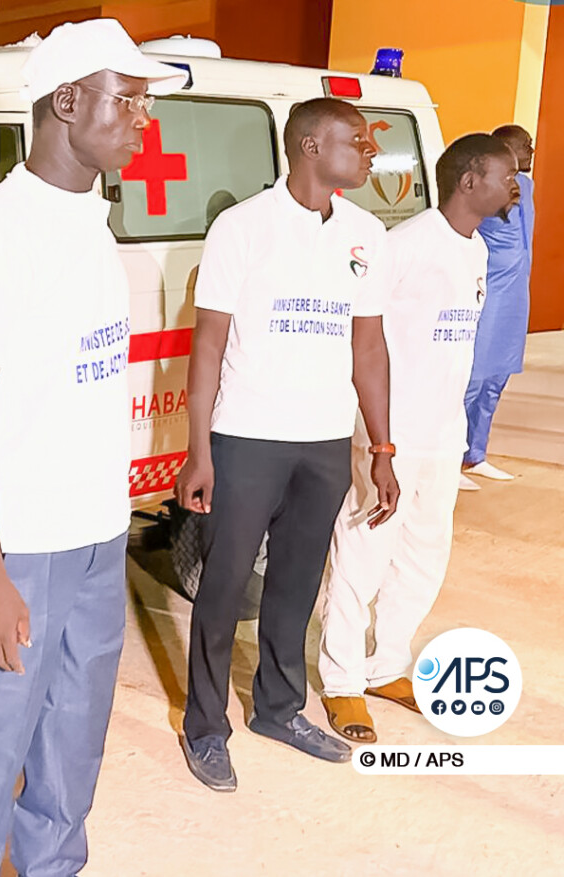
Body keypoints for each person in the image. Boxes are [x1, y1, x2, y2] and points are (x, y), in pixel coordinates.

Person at [0, 19, 185, 876]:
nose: (142, 117)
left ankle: (52, 864)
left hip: (97, 525)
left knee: (77, 722)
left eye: (146, 101)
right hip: (27, 537)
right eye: (129, 98)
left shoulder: (92, 222)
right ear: (68, 100)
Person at [173, 98, 400, 792]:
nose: (368, 153)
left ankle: (278, 707)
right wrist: (199, 449)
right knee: (223, 586)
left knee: (298, 584)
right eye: (354, 142)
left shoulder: (365, 233)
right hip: (247, 438)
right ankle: (205, 724)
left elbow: (369, 347)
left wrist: (382, 449)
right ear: (308, 146)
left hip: (324, 442)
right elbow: (208, 342)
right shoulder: (243, 227)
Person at [318, 134, 520, 743]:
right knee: (361, 557)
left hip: (441, 436)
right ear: (469, 181)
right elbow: (364, 341)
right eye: (506, 175)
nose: (517, 185)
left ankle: (387, 667)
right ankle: (343, 683)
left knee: (424, 558)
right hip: (390, 434)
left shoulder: (477, 250)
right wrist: (379, 443)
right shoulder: (402, 246)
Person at [461, 124, 535, 488]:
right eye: (525, 146)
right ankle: (448, 455)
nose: (531, 150)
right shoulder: (482, 187)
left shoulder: (528, 186)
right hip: (487, 293)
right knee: (471, 379)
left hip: (515, 296)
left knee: (495, 379)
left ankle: (475, 455)